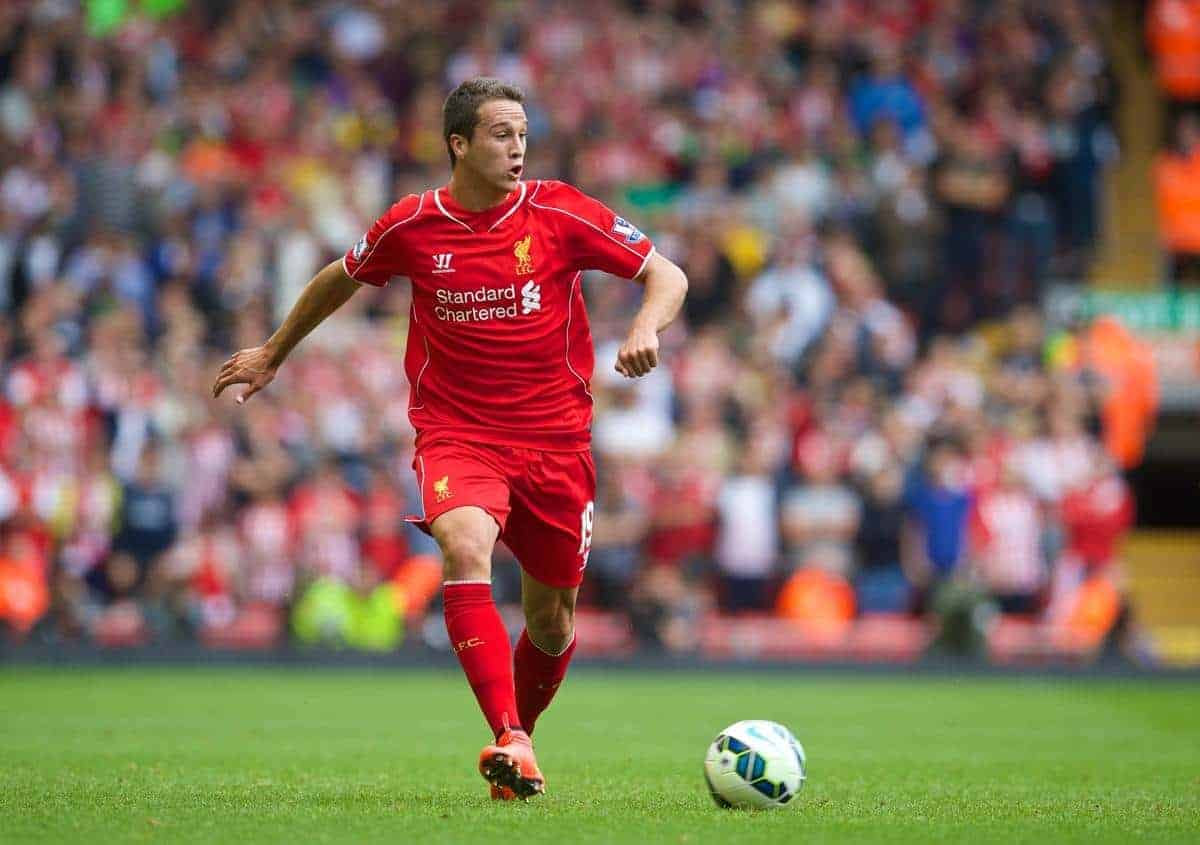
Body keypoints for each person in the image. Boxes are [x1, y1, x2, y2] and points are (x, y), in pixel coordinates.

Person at [212, 78, 688, 800]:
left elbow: (665, 273)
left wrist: (646, 324)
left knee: (552, 621)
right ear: (458, 144)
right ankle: (509, 732)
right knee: (465, 545)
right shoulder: (412, 224)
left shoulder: (560, 210)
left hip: (556, 442)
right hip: (457, 434)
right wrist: (275, 351)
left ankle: (517, 748)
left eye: (522, 133)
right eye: (501, 133)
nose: (518, 146)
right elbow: (341, 276)